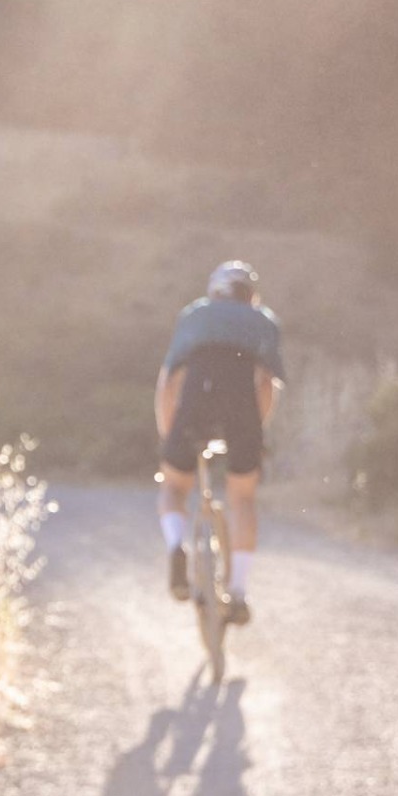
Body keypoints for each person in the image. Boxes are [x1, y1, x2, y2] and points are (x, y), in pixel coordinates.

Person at [155, 261, 286, 626]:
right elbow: (265, 384)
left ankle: (176, 548)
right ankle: (239, 593)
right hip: (242, 410)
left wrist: (170, 437)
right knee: (241, 498)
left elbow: (168, 382)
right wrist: (253, 432)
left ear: (214, 291)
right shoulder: (262, 321)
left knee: (174, 488)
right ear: (250, 295)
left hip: (194, 404)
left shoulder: (194, 316)